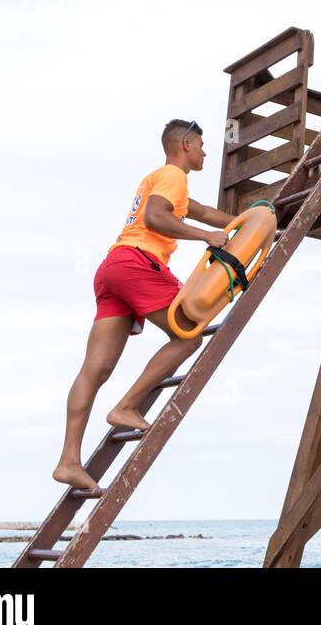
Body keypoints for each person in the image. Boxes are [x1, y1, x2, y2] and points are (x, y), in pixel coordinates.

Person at [52, 119, 236, 492]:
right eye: (201, 144)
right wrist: (207, 239)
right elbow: (156, 217)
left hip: (112, 269)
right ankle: (127, 406)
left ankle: (68, 461)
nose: (204, 152)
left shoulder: (160, 179)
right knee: (188, 335)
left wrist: (247, 222)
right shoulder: (173, 175)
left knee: (95, 369)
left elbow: (200, 211)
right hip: (138, 263)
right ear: (185, 144)